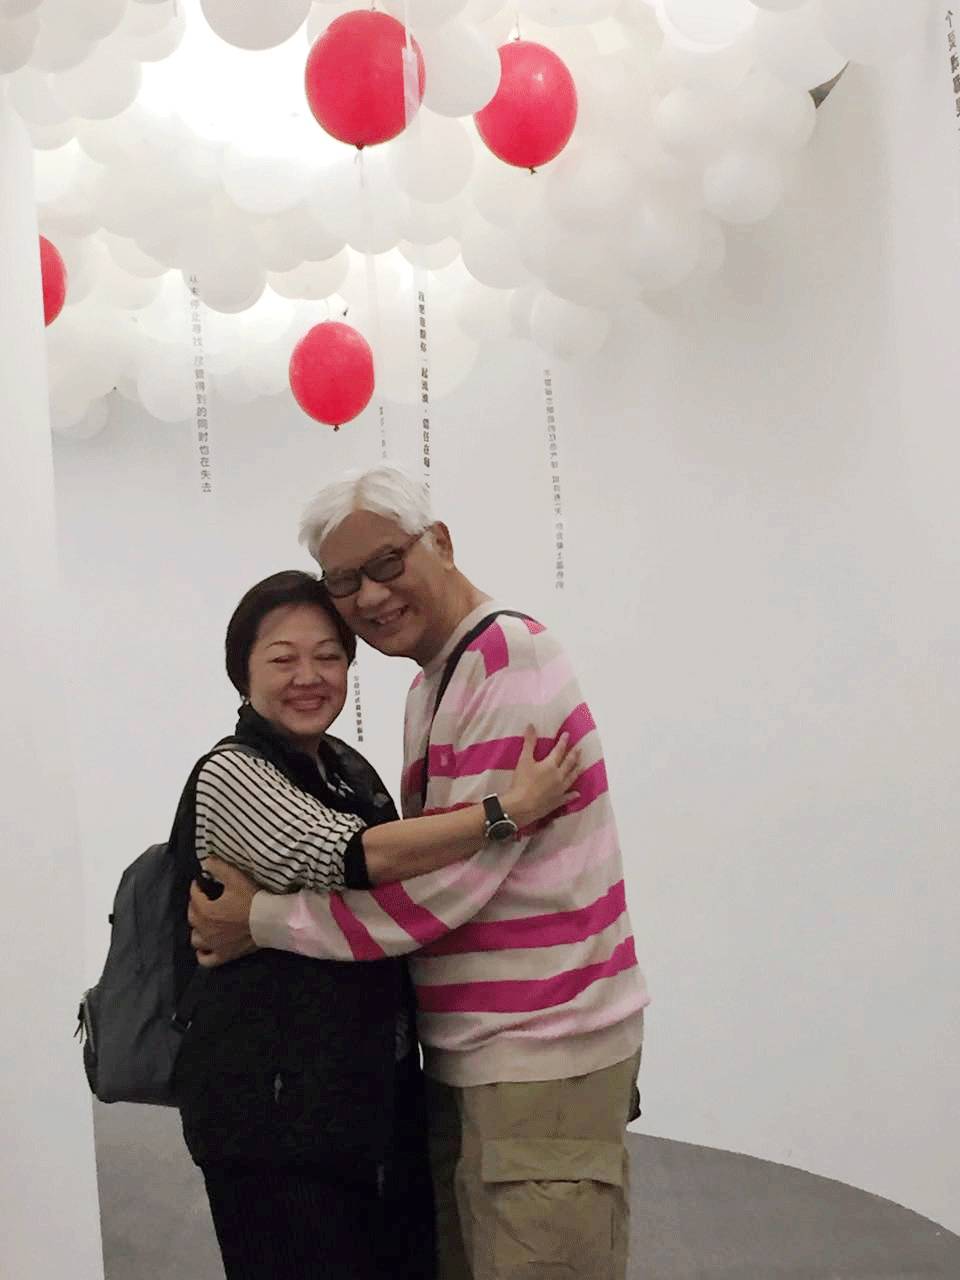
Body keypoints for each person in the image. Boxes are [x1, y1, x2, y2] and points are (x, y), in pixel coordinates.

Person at [189, 465, 651, 1280]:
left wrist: (257, 921)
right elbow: (399, 862)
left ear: (439, 542)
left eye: (387, 562)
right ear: (242, 671)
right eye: (345, 581)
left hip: (539, 1047)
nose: (370, 596)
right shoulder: (432, 684)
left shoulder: (503, 660)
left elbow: (437, 891)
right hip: (472, 1055)